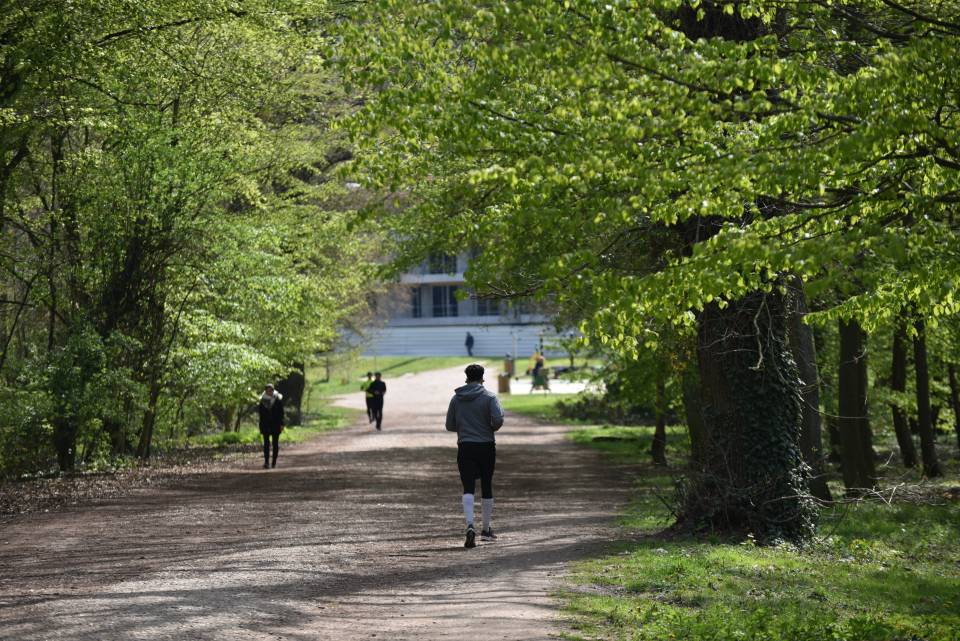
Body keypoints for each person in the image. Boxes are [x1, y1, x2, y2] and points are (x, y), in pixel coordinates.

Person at [445, 363, 504, 548]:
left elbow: (449, 425)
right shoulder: (489, 397)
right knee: (486, 484)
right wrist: (490, 427)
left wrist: (465, 427)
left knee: (468, 487)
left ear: (466, 377)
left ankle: (470, 525)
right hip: (486, 445)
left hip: (465, 446)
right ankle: (486, 529)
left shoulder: (456, 399)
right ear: (482, 377)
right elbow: (498, 420)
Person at [257, 383, 285, 469]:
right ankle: (266, 462)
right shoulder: (262, 400)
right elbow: (260, 414)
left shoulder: (277, 399)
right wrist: (260, 425)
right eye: (268, 390)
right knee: (266, 444)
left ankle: (274, 462)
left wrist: (282, 424)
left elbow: (281, 413)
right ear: (265, 391)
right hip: (265, 424)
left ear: (273, 390)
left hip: (276, 424)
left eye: (271, 390)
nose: (270, 392)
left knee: (275, 443)